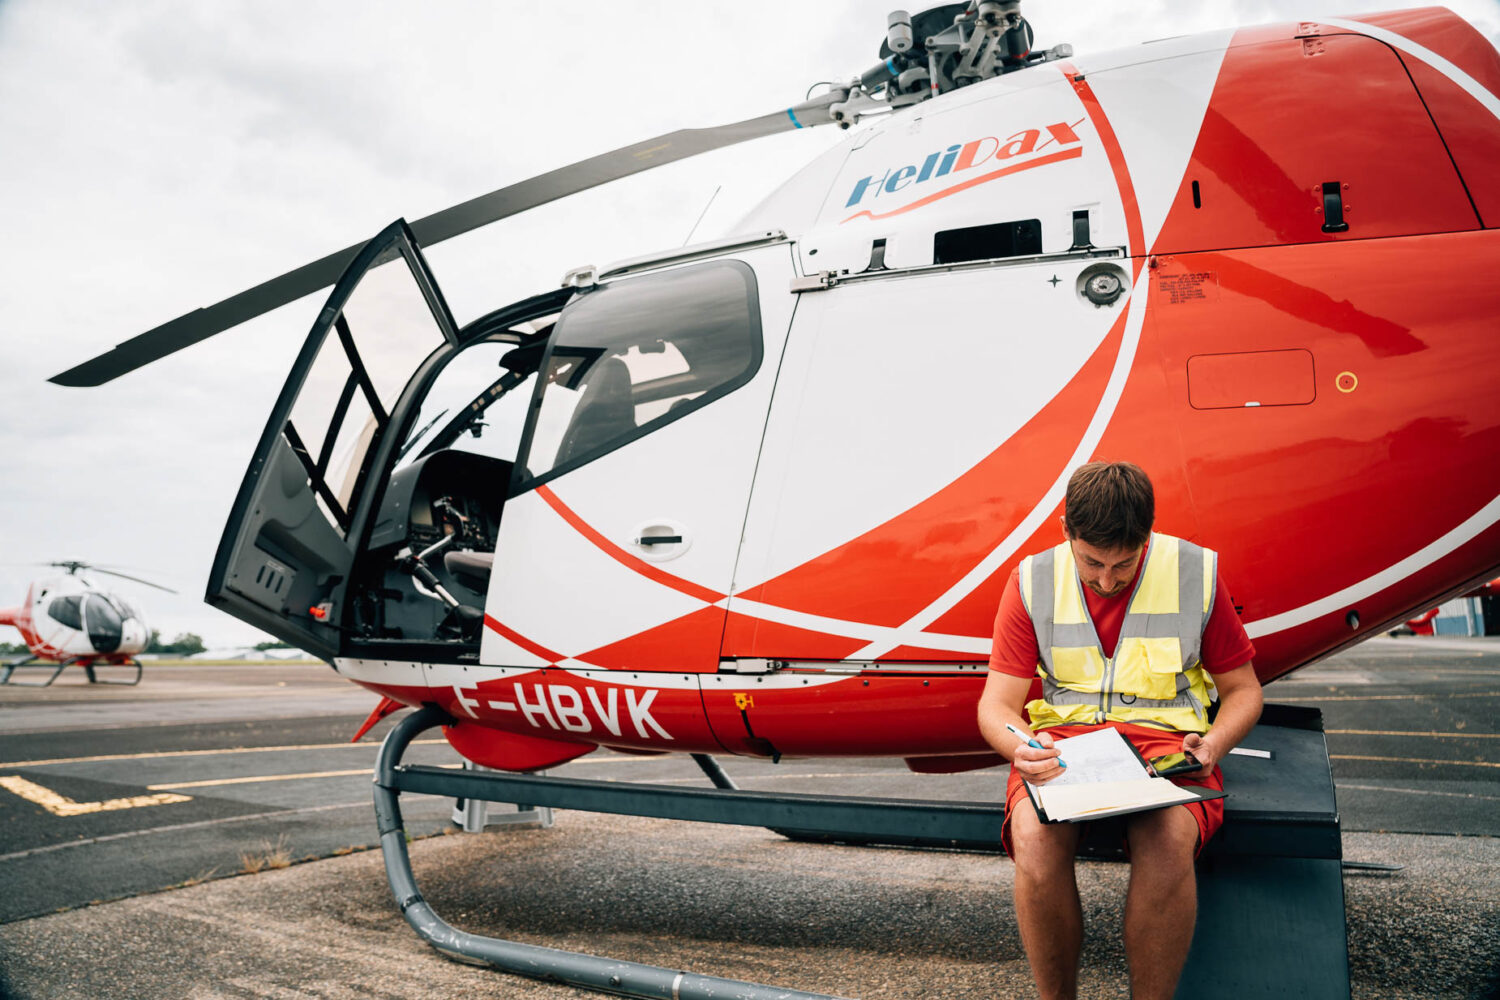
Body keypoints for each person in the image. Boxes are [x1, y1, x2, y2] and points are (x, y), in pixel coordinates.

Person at [977, 461, 1263, 1000]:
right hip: (1063, 747)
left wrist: (1215, 744)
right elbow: (997, 704)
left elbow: (1244, 691)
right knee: (1035, 842)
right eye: (1092, 562)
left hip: (1167, 746)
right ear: (1066, 530)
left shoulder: (1194, 571)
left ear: (1147, 535)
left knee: (1167, 841)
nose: (1106, 579)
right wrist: (1022, 747)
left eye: (1123, 564)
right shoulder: (1031, 580)